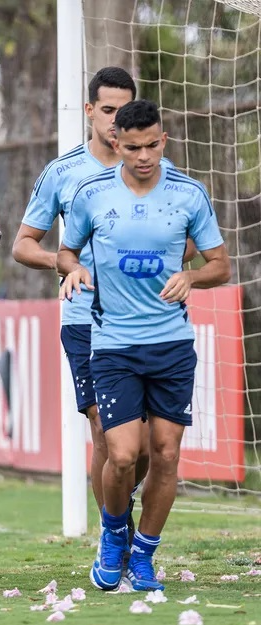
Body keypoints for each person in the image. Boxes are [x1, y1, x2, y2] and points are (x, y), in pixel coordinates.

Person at [59, 100, 229, 592]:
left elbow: (219, 264)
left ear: (164, 141)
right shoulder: (91, 194)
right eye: (133, 147)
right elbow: (66, 251)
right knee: (123, 453)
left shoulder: (188, 195)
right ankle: (114, 534)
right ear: (117, 143)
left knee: (167, 454)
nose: (144, 156)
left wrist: (190, 278)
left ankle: (144, 555)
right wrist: (73, 269)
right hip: (112, 344)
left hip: (171, 344)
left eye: (153, 145)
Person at [14, 67, 154, 533]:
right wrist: (66, 264)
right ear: (90, 110)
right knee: (105, 432)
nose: (116, 120)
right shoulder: (63, 172)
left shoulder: (151, 170)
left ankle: (122, 505)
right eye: (108, 110)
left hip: (145, 319)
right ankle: (117, 536)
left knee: (146, 447)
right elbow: (23, 244)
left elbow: (190, 237)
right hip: (84, 320)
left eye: (124, 110)